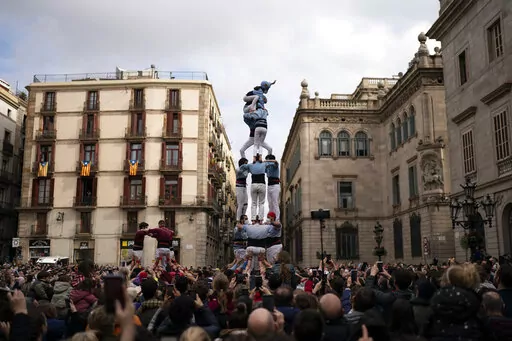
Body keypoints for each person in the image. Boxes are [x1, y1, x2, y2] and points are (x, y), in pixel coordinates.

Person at [240, 81, 274, 158]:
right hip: (248, 109)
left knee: (269, 148)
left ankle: (266, 160)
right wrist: (253, 111)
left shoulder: (260, 111)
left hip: (254, 136)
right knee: (257, 146)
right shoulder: (256, 95)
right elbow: (246, 116)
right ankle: (255, 159)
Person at [248, 154, 266, 222]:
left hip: (253, 184)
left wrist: (253, 162)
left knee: (253, 203)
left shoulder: (250, 165)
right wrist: (263, 161)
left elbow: (244, 167)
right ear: (260, 158)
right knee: (261, 203)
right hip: (262, 184)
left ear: (255, 158)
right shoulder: (264, 164)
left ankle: (253, 219)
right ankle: (261, 219)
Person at [264, 154, 280, 222]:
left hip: (275, 185)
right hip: (269, 185)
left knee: (275, 202)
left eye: (267, 160)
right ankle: (271, 218)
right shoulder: (267, 168)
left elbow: (276, 162)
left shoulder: (275, 165)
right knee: (270, 203)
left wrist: (268, 161)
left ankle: (277, 218)